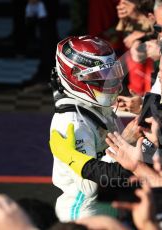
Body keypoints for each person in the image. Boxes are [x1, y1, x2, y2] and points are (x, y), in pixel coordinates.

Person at [50, 35, 125, 221]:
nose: (109, 83)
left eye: (111, 74)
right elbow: (89, 186)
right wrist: (125, 144)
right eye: (100, 77)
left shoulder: (96, 106)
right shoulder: (73, 121)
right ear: (74, 77)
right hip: (82, 211)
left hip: (106, 205)